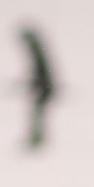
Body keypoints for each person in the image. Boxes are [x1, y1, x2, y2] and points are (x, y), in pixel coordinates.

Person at [19, 22, 57, 152]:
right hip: (44, 86)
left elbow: (41, 70)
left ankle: (37, 138)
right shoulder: (37, 50)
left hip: (44, 87)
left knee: (37, 113)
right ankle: (37, 137)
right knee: (37, 113)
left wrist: (38, 84)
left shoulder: (36, 50)